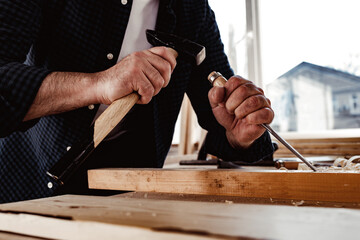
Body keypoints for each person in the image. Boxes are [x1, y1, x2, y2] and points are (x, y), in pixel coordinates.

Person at [0, 0, 274, 203]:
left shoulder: (193, 10)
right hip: (25, 191)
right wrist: (99, 84)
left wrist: (242, 134)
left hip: (132, 197)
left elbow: (225, 124)